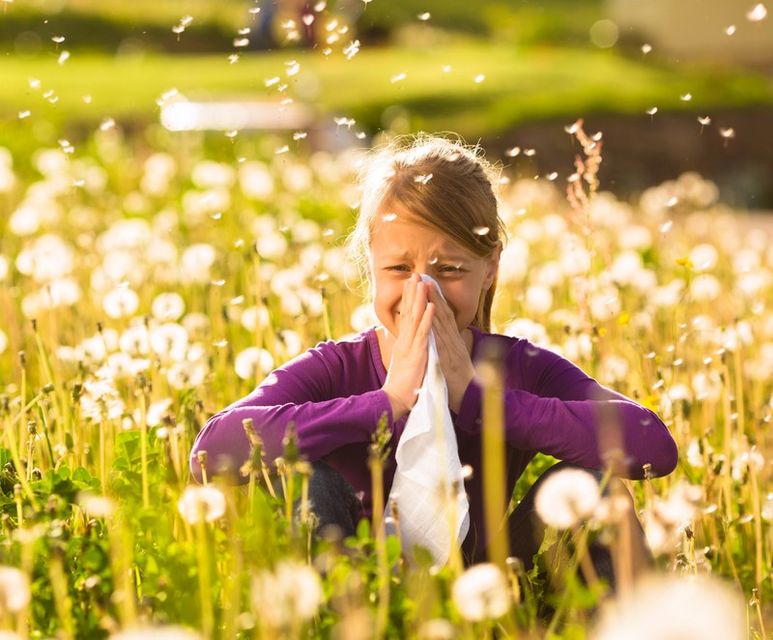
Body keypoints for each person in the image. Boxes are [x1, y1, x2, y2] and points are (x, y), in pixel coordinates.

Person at [189, 134, 678, 578]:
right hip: (355, 583)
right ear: (370, 266)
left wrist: (481, 401)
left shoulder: (517, 367)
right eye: (400, 268)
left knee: (596, 487)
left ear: (489, 269)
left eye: (448, 269)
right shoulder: (339, 367)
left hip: (492, 582)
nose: (422, 291)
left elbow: (653, 445)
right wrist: (388, 401)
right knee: (307, 482)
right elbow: (211, 452)